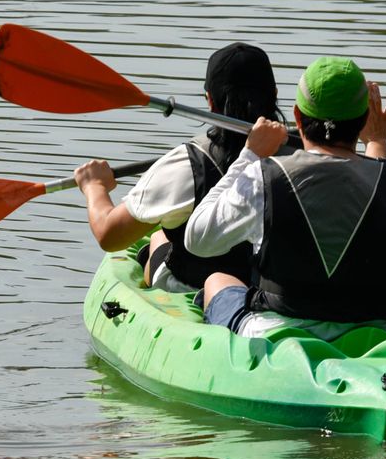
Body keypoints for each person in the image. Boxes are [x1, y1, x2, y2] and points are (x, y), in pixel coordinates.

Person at [183, 56, 386, 340]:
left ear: (297, 117)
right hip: (377, 337)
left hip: (276, 337)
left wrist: (251, 154)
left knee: (217, 280)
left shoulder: (262, 177)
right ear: (364, 120)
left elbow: (198, 240)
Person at [72, 43, 289, 295]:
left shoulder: (186, 164)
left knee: (159, 238)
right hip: (277, 292)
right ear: (274, 94)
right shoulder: (305, 156)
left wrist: (94, 186)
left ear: (210, 100)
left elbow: (109, 236)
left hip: (193, 288)